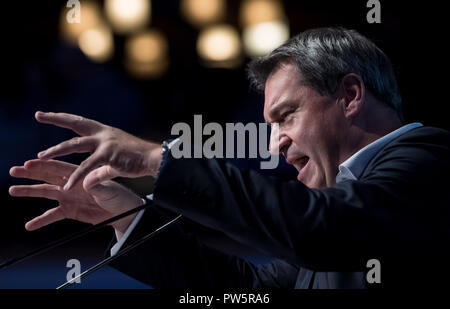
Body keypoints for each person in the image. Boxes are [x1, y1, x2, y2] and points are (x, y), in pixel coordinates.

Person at [9, 27, 450, 288]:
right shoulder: (338, 204)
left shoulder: (429, 159)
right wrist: (128, 217)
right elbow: (246, 290)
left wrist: (158, 161)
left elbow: (322, 229)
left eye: (287, 116)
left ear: (350, 96)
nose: (275, 142)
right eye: (271, 125)